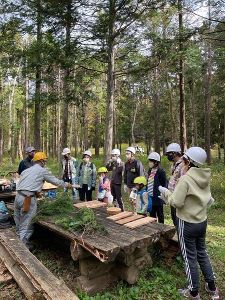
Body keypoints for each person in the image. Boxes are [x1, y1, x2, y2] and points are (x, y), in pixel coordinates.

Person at [159, 147, 220, 300]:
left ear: (187, 162)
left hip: (186, 223)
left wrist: (166, 193)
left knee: (189, 257)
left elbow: (176, 202)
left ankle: (193, 292)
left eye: (183, 161)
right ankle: (212, 287)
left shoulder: (186, 179)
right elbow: (209, 199)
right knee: (202, 253)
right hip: (202, 221)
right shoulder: (205, 176)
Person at [14, 152, 74, 248]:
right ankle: (22, 248)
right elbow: (56, 181)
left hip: (18, 197)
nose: (45, 162)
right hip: (28, 199)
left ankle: (17, 240)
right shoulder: (42, 171)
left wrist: (37, 192)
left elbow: (26, 184)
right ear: (42, 161)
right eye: (45, 160)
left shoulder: (26, 171)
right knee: (27, 223)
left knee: (18, 220)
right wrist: (68, 185)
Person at [166, 142, 186, 226]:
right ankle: (177, 235)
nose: (168, 156)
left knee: (179, 219)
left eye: (169, 154)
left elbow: (183, 182)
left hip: (178, 197)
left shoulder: (183, 165)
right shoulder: (173, 165)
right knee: (174, 218)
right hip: (172, 196)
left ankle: (181, 236)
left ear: (175, 153)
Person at [147, 152, 167, 224]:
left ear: (156, 162)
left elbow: (163, 184)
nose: (150, 163)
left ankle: (162, 230)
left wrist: (163, 196)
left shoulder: (161, 172)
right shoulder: (150, 170)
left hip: (158, 197)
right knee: (152, 216)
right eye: (149, 161)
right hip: (150, 196)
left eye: (151, 161)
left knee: (160, 215)